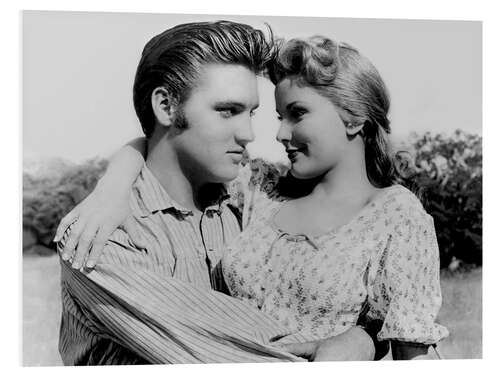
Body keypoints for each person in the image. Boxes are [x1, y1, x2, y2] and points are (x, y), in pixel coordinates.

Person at [56, 22, 377, 365]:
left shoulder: (251, 197)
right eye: (227, 111)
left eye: (251, 113)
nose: (248, 134)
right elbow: (258, 353)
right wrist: (356, 342)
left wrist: (364, 336)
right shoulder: (99, 237)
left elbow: (364, 274)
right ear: (166, 107)